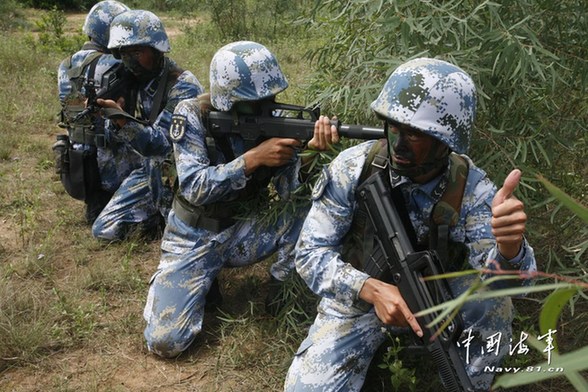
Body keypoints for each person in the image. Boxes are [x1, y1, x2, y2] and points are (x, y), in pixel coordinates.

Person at [284, 58, 537, 391]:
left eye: (415, 134)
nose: (398, 144)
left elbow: (511, 287)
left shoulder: (472, 191)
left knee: (492, 305)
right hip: (360, 300)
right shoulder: (354, 168)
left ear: (446, 141)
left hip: (440, 302)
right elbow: (310, 253)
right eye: (393, 127)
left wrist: (509, 248)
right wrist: (370, 290)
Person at [142, 41, 339, 358]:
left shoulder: (275, 124)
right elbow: (194, 186)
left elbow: (292, 196)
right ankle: (181, 280)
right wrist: (253, 159)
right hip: (192, 235)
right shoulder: (191, 115)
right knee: (166, 343)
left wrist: (307, 158)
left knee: (306, 214)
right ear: (226, 99)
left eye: (270, 100)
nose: (265, 109)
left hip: (243, 230)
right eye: (253, 103)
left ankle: (281, 289)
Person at [92, 9, 204, 240]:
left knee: (179, 232)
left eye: (137, 51)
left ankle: (171, 220)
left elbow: (162, 146)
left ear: (157, 48)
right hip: (151, 168)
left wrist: (121, 119)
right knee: (104, 230)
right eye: (123, 53)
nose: (129, 60)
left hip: (183, 172)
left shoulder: (183, 86)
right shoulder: (133, 80)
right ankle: (155, 217)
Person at [55, 0, 140, 224]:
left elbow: (73, 111)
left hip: (78, 164)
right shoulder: (120, 65)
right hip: (113, 166)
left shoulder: (66, 65)